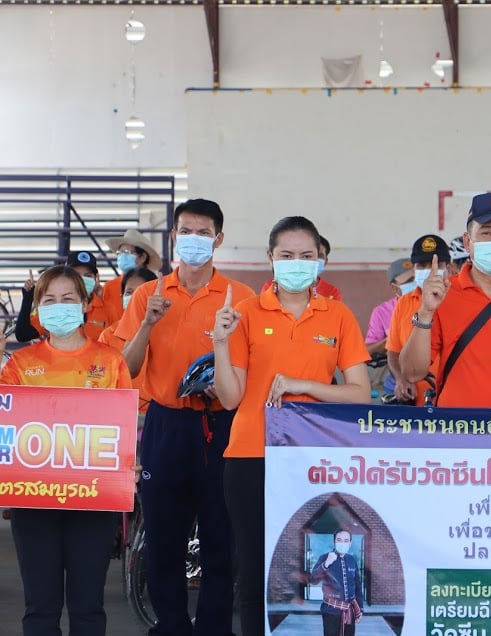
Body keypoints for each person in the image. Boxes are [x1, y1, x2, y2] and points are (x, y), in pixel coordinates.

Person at [213, 216, 371, 636]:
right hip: (252, 456)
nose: (296, 263)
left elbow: (360, 393)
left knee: (313, 568)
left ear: (320, 260)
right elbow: (230, 398)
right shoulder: (245, 313)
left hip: (315, 460)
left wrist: (305, 386)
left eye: (306, 256)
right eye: (287, 256)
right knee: (254, 569)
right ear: (270, 259)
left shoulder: (337, 315)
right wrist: (219, 342)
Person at [115, 198, 255, 636]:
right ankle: (170, 625)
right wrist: (146, 326)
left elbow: (246, 368)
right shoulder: (146, 295)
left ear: (218, 238)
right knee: (163, 538)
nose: (193, 239)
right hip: (166, 425)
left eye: (203, 231)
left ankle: (214, 627)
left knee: (221, 539)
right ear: (175, 236)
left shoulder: (241, 298)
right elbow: (128, 368)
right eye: (185, 231)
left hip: (221, 426)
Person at [2, 266, 133, 636]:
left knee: (88, 606)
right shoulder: (19, 366)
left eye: (68, 299)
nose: (59, 307)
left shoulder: (111, 362)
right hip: (34, 501)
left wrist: (128, 463)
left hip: (94, 499)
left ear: (86, 304)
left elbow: (123, 429)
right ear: (37, 311)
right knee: (40, 607)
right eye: (49, 301)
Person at [399, 192, 491, 407]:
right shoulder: (442, 294)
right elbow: (412, 373)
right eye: (486, 232)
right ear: (468, 242)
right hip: (459, 431)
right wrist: (426, 312)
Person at [387, 235, 452, 405]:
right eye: (422, 266)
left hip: (454, 405)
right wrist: (401, 379)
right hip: (416, 405)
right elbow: (393, 351)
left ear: (449, 269)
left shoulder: (460, 300)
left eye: (435, 265)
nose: (429, 270)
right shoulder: (404, 302)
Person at [16, 251, 116, 342]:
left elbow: (117, 345)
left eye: (88, 276)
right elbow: (23, 334)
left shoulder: (108, 309)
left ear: (96, 278)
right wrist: (28, 299)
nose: (81, 279)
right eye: (75, 274)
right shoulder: (56, 307)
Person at [98, 266, 159, 414]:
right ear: (121, 297)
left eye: (140, 292)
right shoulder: (108, 335)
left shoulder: (165, 333)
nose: (134, 297)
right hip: (120, 413)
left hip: (158, 414)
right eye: (129, 292)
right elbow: (100, 379)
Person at [309, 529, 364, 636]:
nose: (342, 543)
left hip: (350, 611)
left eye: (346, 540)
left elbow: (358, 586)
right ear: (334, 541)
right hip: (330, 611)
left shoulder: (352, 560)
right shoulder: (324, 558)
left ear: (350, 543)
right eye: (339, 540)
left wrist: (360, 609)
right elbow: (313, 580)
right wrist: (326, 564)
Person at [103, 228, 162, 321]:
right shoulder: (109, 287)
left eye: (126, 253)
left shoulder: (155, 286)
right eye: (120, 253)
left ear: (142, 257)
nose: (122, 256)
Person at [366, 258, 415, 357]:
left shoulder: (431, 304)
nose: (415, 284)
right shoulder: (381, 312)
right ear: (394, 287)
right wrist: (395, 337)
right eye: (409, 281)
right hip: (397, 368)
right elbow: (368, 350)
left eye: (417, 279)